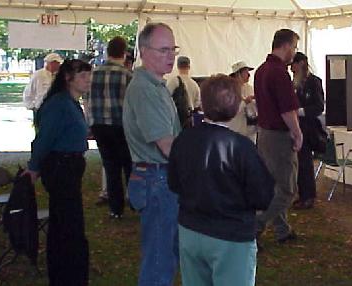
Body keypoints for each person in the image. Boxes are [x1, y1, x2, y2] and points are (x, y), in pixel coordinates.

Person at [168, 75, 274, 286]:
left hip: (191, 230)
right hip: (230, 234)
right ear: (236, 106)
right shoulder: (241, 148)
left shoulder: (184, 139)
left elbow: (174, 183)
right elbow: (262, 195)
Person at [22, 59, 92, 285]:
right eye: (82, 76)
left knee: (66, 222)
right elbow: (44, 139)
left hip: (70, 165)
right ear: (68, 78)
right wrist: (34, 167)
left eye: (88, 75)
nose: (87, 80)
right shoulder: (59, 104)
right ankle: (67, 273)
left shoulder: (71, 103)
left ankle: (68, 271)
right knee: (67, 222)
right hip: (61, 167)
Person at [122, 22, 181, 286]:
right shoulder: (145, 89)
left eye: (173, 49)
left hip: (160, 179)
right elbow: (167, 145)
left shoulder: (156, 85)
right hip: (157, 180)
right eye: (163, 50)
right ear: (144, 51)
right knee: (159, 263)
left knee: (165, 255)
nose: (171, 56)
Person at [254, 28, 303, 246]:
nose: (294, 51)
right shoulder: (279, 72)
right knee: (287, 188)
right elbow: (287, 110)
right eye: (294, 46)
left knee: (273, 184)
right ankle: (255, 225)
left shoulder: (261, 70)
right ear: (286, 46)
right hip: (278, 136)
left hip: (264, 134)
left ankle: (282, 229)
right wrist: (297, 132)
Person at [84, 36, 133, 218]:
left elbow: (86, 100)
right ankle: (135, 202)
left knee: (110, 166)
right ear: (124, 53)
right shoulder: (128, 75)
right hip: (121, 125)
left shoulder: (93, 73)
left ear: (107, 51)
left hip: (99, 125)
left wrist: (89, 122)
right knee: (129, 165)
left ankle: (115, 208)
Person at [291, 52, 325, 209]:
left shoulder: (314, 82)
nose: (292, 68)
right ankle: (302, 194)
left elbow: (319, 106)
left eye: (294, 65)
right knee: (299, 162)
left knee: (305, 162)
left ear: (301, 64)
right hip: (296, 125)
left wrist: (301, 111)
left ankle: (309, 196)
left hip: (308, 127)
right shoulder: (295, 82)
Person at [167, 56, 201, 128]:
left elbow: (165, 99)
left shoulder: (173, 81)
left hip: (175, 120)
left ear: (178, 66)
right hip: (189, 121)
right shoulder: (195, 84)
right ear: (189, 67)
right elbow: (197, 104)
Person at [227, 61, 257, 142]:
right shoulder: (229, 89)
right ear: (238, 74)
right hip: (236, 129)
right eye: (246, 72)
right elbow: (231, 110)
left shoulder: (249, 88)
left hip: (250, 129)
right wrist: (245, 102)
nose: (249, 75)